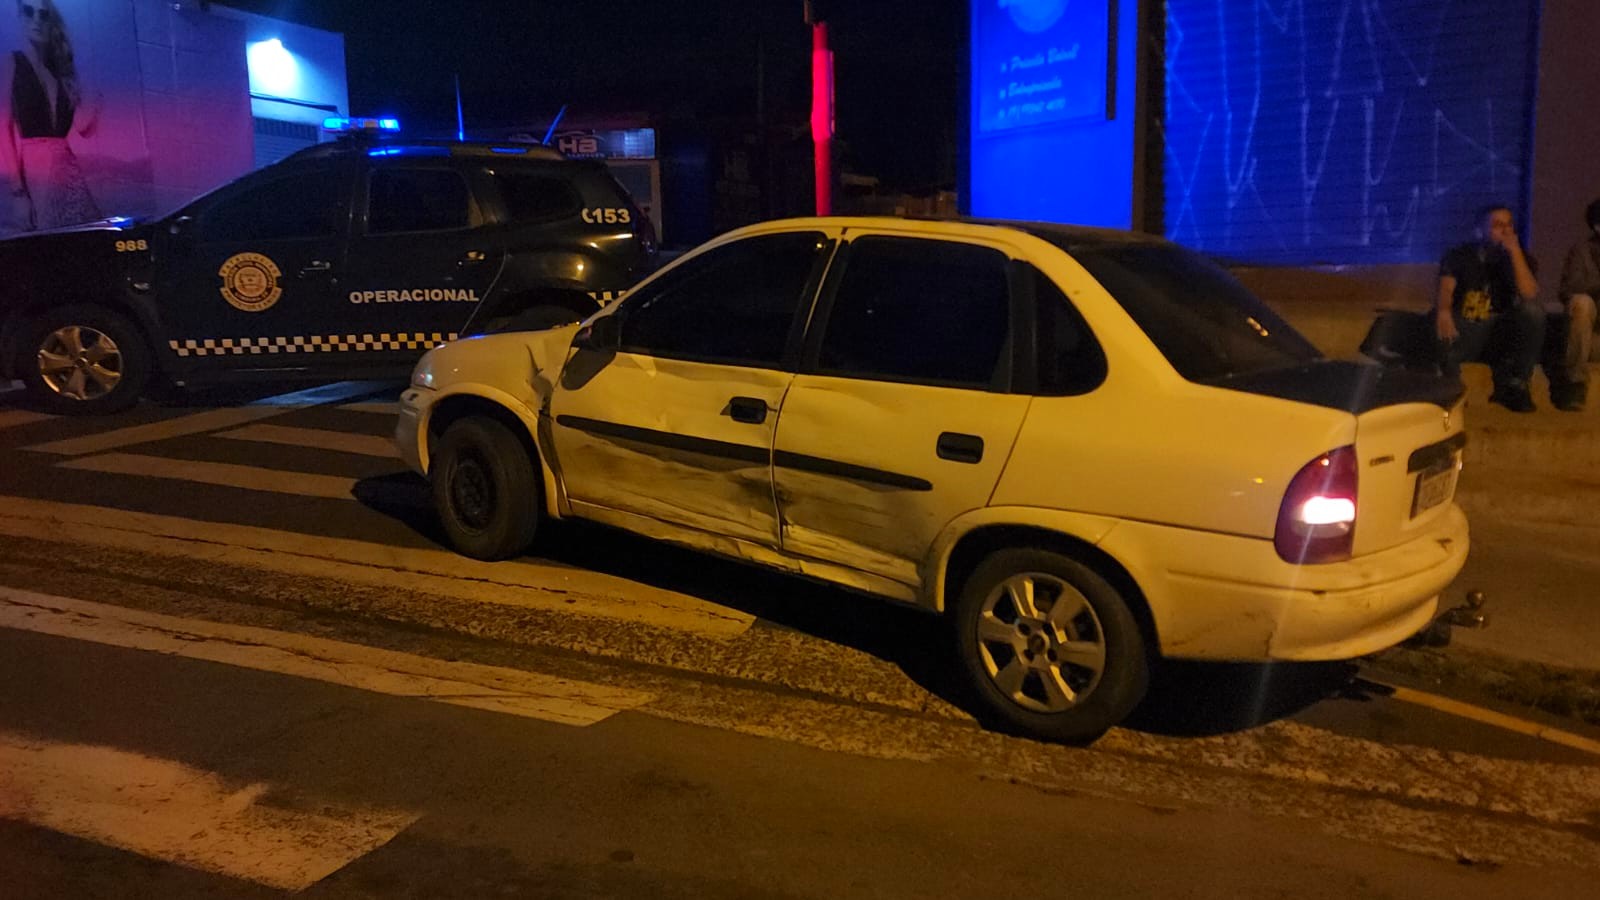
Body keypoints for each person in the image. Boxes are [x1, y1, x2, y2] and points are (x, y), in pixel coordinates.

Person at [1435, 204, 1544, 412]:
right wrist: (1443, 310)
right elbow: (1446, 290)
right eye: (1497, 225)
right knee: (1439, 316)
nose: (1506, 230)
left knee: (1533, 312)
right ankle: (1451, 386)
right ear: (1480, 230)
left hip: (1500, 333)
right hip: (1468, 328)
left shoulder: (1521, 258)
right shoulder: (1459, 255)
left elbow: (1529, 293)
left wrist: (1514, 253)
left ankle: (1516, 385)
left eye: (1509, 225)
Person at [3, 0, 99, 232]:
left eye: (43, 15)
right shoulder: (11, 63)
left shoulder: (60, 71)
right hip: (37, 173)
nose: (36, 20)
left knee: (84, 242)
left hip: (69, 172)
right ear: (20, 17)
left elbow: (82, 128)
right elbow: (2, 129)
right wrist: (18, 194)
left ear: (51, 22)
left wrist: (96, 101)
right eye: (29, 11)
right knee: (50, 245)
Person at [1551, 198, 1600, 412]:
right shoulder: (1583, 252)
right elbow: (1568, 290)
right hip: (1591, 340)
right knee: (1581, 302)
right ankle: (1575, 384)